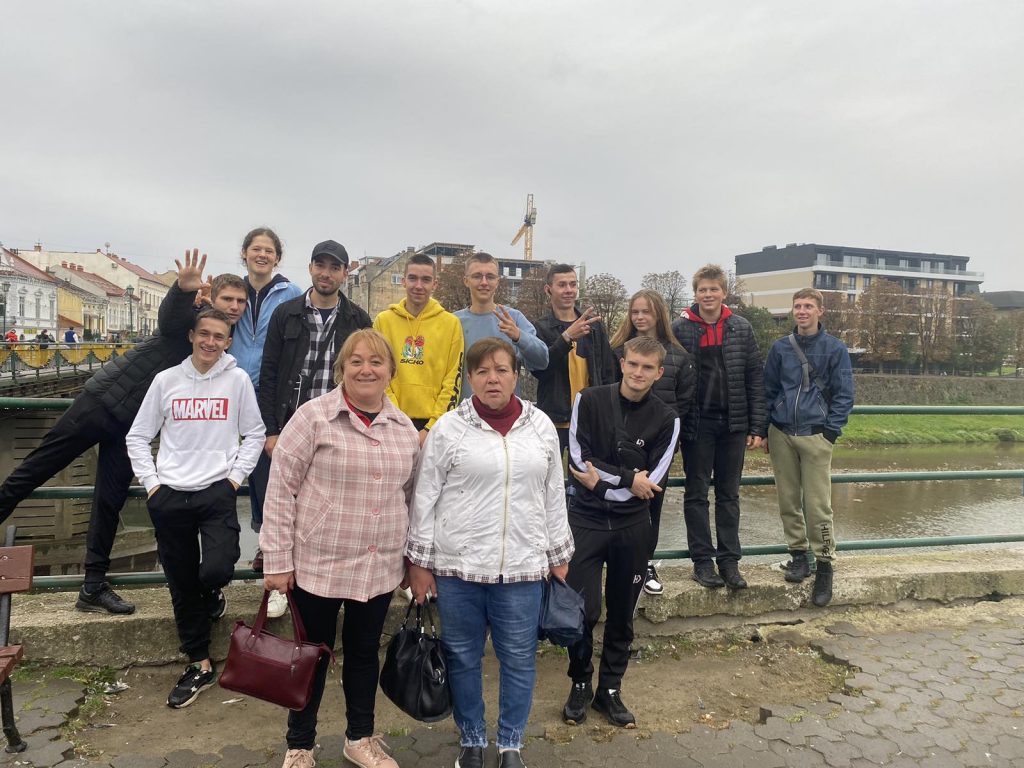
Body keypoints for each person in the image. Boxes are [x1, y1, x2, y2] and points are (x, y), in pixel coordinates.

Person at [0, 251, 241, 615]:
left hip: (130, 427)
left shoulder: (217, 345)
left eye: (240, 302)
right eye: (228, 299)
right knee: (33, 471)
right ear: (211, 298)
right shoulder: (190, 324)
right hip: (101, 403)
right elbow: (170, 316)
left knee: (109, 503)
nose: (234, 306)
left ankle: (93, 587)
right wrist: (181, 289)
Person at [407, 337, 573, 768]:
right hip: (458, 569)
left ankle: (511, 744)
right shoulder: (449, 429)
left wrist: (558, 553)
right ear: (470, 378)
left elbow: (553, 494)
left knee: (518, 659)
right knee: (463, 658)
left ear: (517, 375)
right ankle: (472, 740)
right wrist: (419, 563)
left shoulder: (539, 426)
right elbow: (425, 496)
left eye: (501, 370)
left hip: (521, 569)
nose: (492, 379)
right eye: (482, 371)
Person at [261, 329, 418, 768]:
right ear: (342, 369)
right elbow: (281, 490)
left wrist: (411, 560)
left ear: (391, 371)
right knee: (310, 656)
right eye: (356, 361)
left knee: (364, 655)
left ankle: (359, 737)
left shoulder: (403, 429)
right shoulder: (313, 418)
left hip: (377, 564)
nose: (366, 370)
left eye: (376, 362)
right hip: (319, 563)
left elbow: (410, 498)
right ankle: (300, 744)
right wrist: (277, 561)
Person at [126, 308, 265, 708]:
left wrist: (234, 479)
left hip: (216, 491)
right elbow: (138, 436)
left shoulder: (237, 381)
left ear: (228, 342)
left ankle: (211, 593)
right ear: (191, 335)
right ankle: (199, 664)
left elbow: (255, 433)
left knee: (218, 567)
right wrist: (152, 484)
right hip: (170, 494)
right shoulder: (166, 380)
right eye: (204, 334)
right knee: (181, 582)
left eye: (219, 336)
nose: (210, 342)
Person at [562, 336, 679, 729]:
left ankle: (609, 690)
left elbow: (654, 480)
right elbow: (578, 459)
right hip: (586, 520)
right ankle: (580, 681)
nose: (638, 373)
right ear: (622, 363)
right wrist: (627, 479)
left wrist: (602, 481)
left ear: (658, 373)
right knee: (582, 610)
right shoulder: (589, 400)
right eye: (633, 364)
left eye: (647, 367)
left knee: (622, 614)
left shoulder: (668, 418)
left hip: (633, 525)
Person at [672, 264, 766, 591]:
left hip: (734, 424)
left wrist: (757, 425)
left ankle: (729, 562)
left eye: (714, 289)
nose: (708, 295)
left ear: (724, 293)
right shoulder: (681, 329)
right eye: (703, 290)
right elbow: (672, 377)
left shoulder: (741, 328)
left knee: (729, 495)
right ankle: (702, 562)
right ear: (695, 294)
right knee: (696, 493)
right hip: (698, 424)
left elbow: (754, 377)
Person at [763, 288, 854, 608]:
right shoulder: (780, 348)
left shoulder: (835, 348)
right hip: (781, 433)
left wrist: (830, 433)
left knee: (818, 505)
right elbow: (768, 389)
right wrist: (765, 429)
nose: (802, 311)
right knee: (788, 500)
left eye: (808, 306)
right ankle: (798, 556)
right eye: (798, 306)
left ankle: (825, 565)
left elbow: (845, 394)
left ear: (820, 311)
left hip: (816, 435)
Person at [609, 290, 696, 596]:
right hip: (621, 440)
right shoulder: (617, 352)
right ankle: (614, 562)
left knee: (652, 505)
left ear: (658, 313)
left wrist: (671, 437)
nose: (640, 317)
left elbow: (684, 403)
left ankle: (644, 563)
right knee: (615, 499)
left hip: (659, 444)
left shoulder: (679, 357)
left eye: (646, 311)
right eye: (635, 312)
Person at [223, 228, 303, 551]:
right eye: (256, 249)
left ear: (277, 258)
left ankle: (267, 540)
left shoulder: (290, 292)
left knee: (266, 466)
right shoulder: (234, 291)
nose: (262, 255)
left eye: (269, 251)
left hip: (271, 390)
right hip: (233, 387)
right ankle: (225, 541)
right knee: (226, 461)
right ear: (244, 253)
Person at [258, 239, 372, 457]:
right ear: (310, 267)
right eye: (320, 265)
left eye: (334, 268)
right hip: (291, 421)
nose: (326, 274)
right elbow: (269, 374)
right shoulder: (285, 314)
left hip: (339, 426)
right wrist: (271, 431)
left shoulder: (358, 320)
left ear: (345, 273)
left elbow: (364, 379)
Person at [373, 253, 463, 446]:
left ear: (435, 284)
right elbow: (377, 374)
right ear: (403, 281)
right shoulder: (384, 321)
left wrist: (432, 427)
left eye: (426, 280)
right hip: (390, 420)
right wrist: (396, 419)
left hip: (434, 426)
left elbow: (453, 379)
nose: (418, 286)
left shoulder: (451, 324)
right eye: (413, 278)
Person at [531, 263, 616, 455]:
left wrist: (608, 411)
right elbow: (540, 371)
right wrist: (566, 338)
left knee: (586, 472)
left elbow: (607, 371)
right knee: (549, 471)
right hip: (554, 419)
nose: (569, 290)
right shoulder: (540, 328)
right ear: (548, 290)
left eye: (573, 284)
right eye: (562, 285)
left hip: (589, 417)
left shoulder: (593, 326)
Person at [454, 252, 547, 399]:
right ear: (466, 281)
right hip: (464, 410)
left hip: (506, 411)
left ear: (497, 281)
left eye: (490, 277)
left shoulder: (514, 319)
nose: (484, 282)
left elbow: (542, 361)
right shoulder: (453, 321)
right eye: (477, 276)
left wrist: (519, 336)